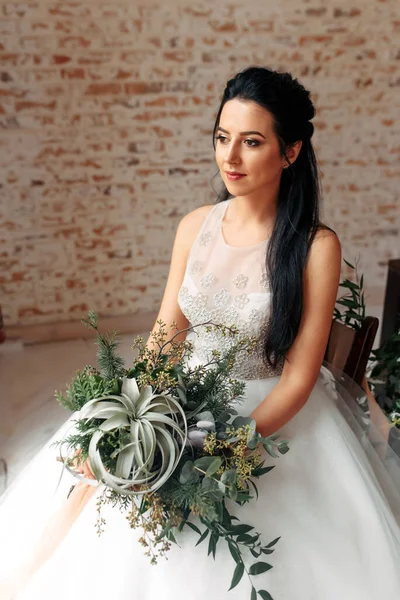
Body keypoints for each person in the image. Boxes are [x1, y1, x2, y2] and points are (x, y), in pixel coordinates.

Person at [0, 66, 399, 600]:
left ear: (291, 152)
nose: (229, 157)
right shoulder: (195, 226)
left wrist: (228, 444)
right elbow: (167, 337)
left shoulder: (314, 246)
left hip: (267, 412)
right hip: (182, 401)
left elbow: (301, 376)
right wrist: (136, 416)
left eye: (251, 142)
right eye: (221, 137)